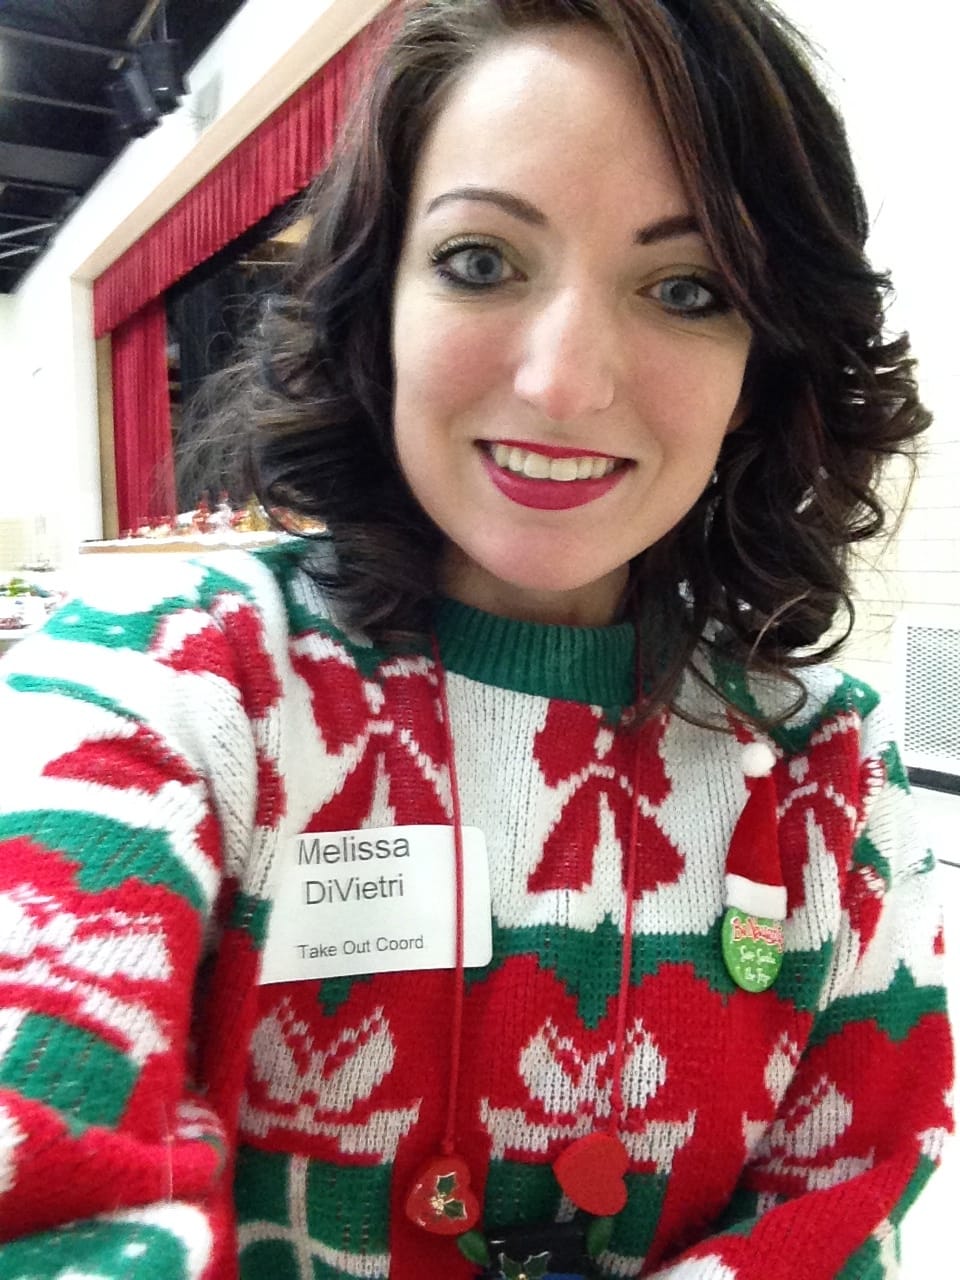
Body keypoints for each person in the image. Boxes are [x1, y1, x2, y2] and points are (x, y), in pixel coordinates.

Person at [0, 0, 953, 1277]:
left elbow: (846, 1203)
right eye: (482, 262)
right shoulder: (165, 673)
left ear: (762, 366)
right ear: (378, 300)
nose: (565, 382)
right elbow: (41, 1173)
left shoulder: (829, 770)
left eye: (687, 289)